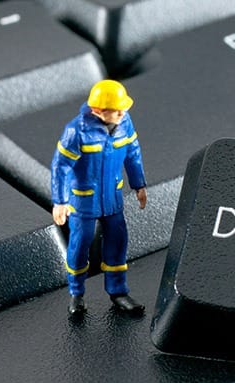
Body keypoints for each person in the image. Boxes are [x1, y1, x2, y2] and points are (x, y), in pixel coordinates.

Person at [51, 79, 147, 315]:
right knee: (80, 244)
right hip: (84, 202)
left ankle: (118, 292)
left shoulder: (125, 123)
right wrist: (60, 201)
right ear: (97, 111)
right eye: (116, 110)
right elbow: (60, 167)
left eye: (123, 108)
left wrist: (139, 185)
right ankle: (76, 294)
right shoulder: (77, 131)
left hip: (112, 200)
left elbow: (133, 154)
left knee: (117, 242)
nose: (122, 113)